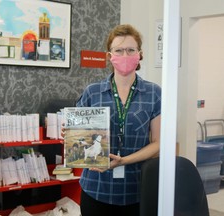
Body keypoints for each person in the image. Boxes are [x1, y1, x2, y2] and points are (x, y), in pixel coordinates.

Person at [76, 24, 161, 216]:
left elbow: (158, 143)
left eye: (131, 50)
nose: (125, 55)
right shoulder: (92, 92)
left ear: (140, 54)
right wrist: (73, 134)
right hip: (96, 187)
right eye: (119, 50)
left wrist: (124, 161)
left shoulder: (153, 93)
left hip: (137, 187)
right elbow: (80, 137)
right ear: (109, 56)